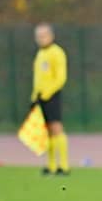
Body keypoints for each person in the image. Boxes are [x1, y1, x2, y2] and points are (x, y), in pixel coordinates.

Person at [31, 23, 70, 176]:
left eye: (44, 35)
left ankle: (64, 166)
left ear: (51, 36)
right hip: (40, 96)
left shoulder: (57, 52)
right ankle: (51, 165)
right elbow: (38, 78)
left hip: (51, 95)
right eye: (38, 36)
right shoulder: (40, 54)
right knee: (47, 131)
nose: (41, 39)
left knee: (56, 127)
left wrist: (47, 93)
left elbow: (61, 78)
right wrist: (34, 95)